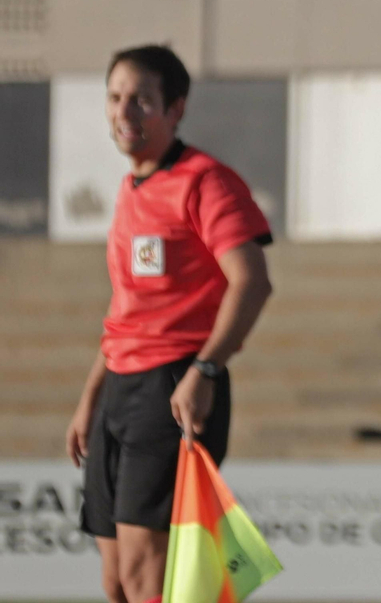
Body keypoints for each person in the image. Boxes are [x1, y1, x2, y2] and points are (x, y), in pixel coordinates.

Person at [66, 46, 275, 603]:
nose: (124, 112)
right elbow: (127, 309)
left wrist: (205, 370)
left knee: (148, 580)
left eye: (141, 100)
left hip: (174, 387)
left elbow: (252, 281)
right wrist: (91, 399)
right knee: (116, 582)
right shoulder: (130, 188)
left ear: (175, 108)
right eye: (115, 97)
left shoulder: (205, 181)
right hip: (118, 392)